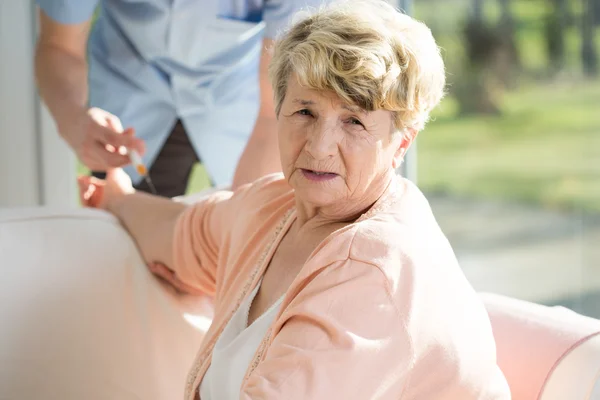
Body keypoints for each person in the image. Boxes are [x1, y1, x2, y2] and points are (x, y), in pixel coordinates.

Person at [78, 0, 512, 398]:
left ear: (402, 143)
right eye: (305, 111)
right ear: (279, 110)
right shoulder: (274, 208)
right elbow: (180, 233)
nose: (319, 147)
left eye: (355, 122)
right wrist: (116, 197)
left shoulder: (373, 270)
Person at [34, 0, 327, 198]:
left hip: (240, 97)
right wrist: (73, 119)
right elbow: (58, 47)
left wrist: (243, 230)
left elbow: (274, 112)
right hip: (129, 93)